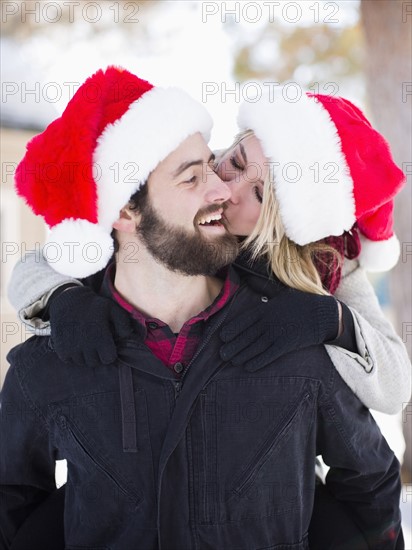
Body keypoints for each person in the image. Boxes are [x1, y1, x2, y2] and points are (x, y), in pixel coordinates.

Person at [0, 67, 403, 549]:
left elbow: (383, 434)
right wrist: (64, 300)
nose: (224, 189)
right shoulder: (64, 339)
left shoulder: (313, 287)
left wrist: (332, 321)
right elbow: (41, 266)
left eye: (258, 193)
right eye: (221, 165)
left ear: (282, 220)